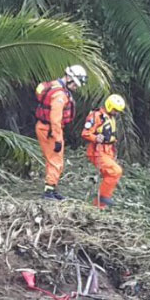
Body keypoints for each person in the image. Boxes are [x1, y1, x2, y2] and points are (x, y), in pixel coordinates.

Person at [34, 65, 87, 200]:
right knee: (55, 160)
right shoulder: (60, 95)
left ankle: (51, 188)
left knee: (52, 159)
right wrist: (58, 139)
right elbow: (55, 119)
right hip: (50, 131)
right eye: (76, 84)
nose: (77, 87)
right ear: (69, 78)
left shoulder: (53, 85)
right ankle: (49, 191)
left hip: (45, 128)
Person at [81, 94, 125, 209]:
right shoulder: (96, 116)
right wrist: (96, 138)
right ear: (110, 106)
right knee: (115, 171)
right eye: (115, 110)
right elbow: (85, 133)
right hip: (98, 151)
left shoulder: (110, 117)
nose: (116, 112)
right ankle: (103, 197)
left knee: (109, 175)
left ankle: (99, 206)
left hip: (108, 151)